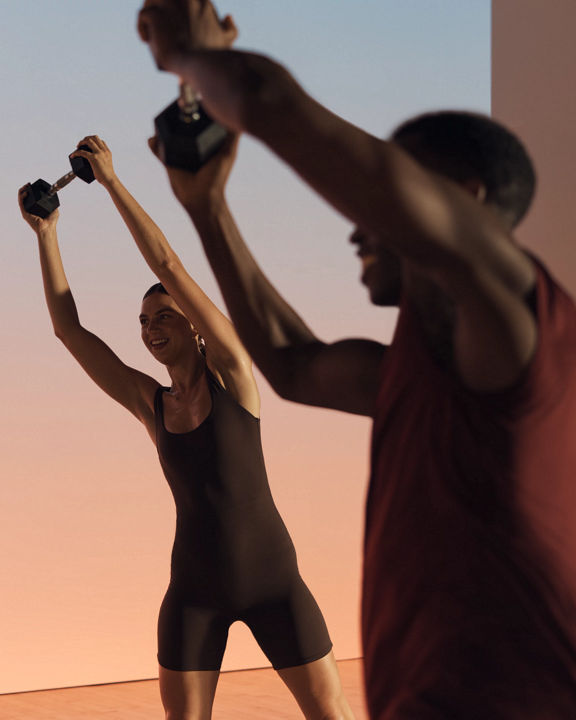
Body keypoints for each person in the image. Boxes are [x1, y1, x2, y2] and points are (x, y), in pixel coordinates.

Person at [138, 2, 576, 718]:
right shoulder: (431, 368)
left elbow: (270, 100)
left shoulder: (521, 324)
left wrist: (191, 55)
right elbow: (293, 364)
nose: (355, 231)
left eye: (388, 197)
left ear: (460, 203)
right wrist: (207, 206)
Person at [18, 137, 355, 720]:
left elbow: (168, 265)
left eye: (166, 316)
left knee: (333, 714)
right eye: (144, 322)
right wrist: (46, 237)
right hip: (194, 594)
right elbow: (70, 331)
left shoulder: (234, 377)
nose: (151, 329)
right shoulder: (150, 404)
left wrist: (114, 183)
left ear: (196, 327)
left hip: (276, 586)